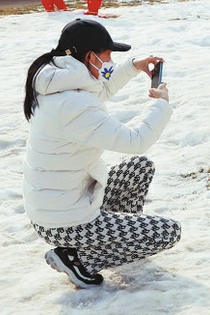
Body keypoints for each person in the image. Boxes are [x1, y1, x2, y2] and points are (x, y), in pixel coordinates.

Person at [23, 18, 180, 288]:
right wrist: (161, 105)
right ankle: (81, 259)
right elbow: (137, 140)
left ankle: (115, 240)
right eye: (107, 54)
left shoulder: (57, 83)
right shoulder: (73, 105)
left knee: (139, 167)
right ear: (90, 56)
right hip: (65, 220)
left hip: (61, 202)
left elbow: (99, 91)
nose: (109, 61)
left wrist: (132, 67)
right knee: (167, 232)